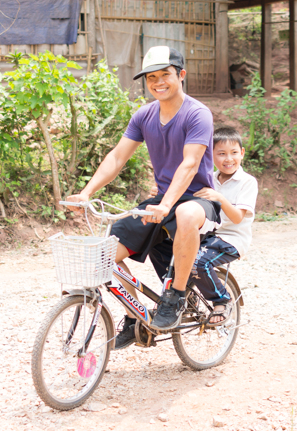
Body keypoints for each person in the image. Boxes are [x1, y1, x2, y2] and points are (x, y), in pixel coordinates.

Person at [66, 46, 221, 347]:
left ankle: (175, 296)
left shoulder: (197, 114)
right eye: (152, 77)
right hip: (162, 199)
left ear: (181, 75)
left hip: (199, 199)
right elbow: (117, 157)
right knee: (107, 253)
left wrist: (166, 204)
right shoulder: (144, 115)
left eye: (165, 74)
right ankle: (136, 317)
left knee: (185, 213)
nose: (158, 82)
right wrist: (86, 192)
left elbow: (190, 165)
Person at [192, 126, 258, 325]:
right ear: (211, 156)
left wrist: (219, 197)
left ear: (242, 153)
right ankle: (182, 298)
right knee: (171, 255)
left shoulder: (247, 182)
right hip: (207, 235)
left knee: (198, 262)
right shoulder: (209, 179)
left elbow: (238, 218)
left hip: (232, 239)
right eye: (221, 154)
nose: (228, 159)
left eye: (234, 153)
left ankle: (222, 301)